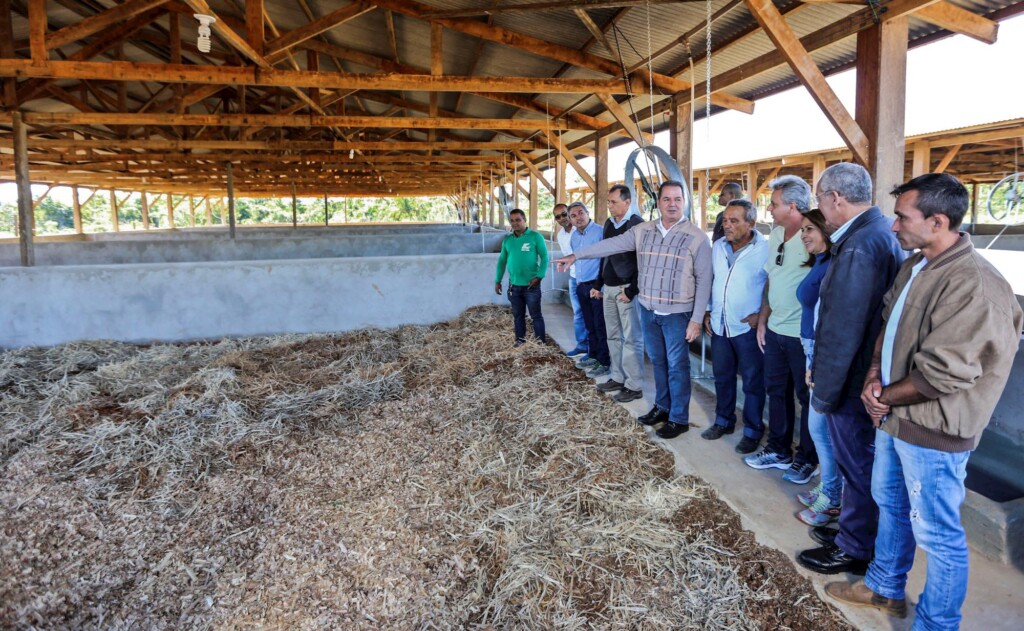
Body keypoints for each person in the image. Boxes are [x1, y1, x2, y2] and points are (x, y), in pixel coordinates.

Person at [826, 174, 1022, 626]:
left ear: (937, 221)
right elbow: (888, 320)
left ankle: (936, 622)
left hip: (934, 427)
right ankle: (884, 586)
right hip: (896, 416)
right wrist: (875, 375)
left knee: (937, 532)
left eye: (901, 217)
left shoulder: (976, 284)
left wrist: (881, 396)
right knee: (891, 502)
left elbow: (944, 372)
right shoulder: (915, 265)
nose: (893, 227)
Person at [797, 162, 904, 576]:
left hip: (854, 378)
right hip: (862, 373)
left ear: (836, 198)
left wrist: (824, 387)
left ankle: (855, 547)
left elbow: (844, 325)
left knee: (857, 464)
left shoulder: (860, 245)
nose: (820, 208)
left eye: (821, 199)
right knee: (858, 462)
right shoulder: (869, 235)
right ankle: (851, 530)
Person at [556, 181, 712, 439]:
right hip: (649, 310)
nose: (672, 204)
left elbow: (705, 280)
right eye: (667, 199)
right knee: (660, 363)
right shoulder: (643, 230)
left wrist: (696, 319)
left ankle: (679, 418)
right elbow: (611, 245)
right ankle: (662, 407)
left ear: (684, 201)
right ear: (658, 202)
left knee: (677, 367)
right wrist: (576, 256)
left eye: (677, 199)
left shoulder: (697, 237)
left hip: (677, 314)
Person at [746, 175, 818, 485]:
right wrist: (763, 320)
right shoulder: (775, 234)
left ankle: (807, 458)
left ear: (792, 205)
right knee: (776, 391)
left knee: (807, 398)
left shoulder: (814, 236)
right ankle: (779, 449)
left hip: (803, 335)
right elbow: (771, 280)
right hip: (775, 329)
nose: (769, 209)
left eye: (774, 204)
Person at [702, 199, 768, 454]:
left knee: (752, 381)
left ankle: (752, 430)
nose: (727, 226)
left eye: (734, 221)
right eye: (725, 221)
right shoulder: (718, 246)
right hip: (720, 324)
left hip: (747, 328)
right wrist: (708, 309)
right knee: (723, 377)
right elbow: (711, 280)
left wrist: (761, 315)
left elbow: (773, 284)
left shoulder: (765, 249)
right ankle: (724, 421)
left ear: (751, 223)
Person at [794, 209, 842, 527]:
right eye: (803, 230)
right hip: (811, 346)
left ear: (826, 229)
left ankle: (833, 498)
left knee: (821, 429)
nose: (804, 235)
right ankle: (828, 486)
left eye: (810, 229)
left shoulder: (833, 265)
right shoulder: (822, 262)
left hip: (821, 350)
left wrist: (818, 360)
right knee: (818, 428)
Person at [595, 184, 646, 402]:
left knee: (632, 338)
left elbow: (643, 261)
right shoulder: (609, 223)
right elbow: (604, 255)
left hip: (626, 289)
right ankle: (617, 376)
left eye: (614, 202)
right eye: (608, 202)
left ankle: (634, 385)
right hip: (609, 287)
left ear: (627, 202)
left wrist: (632, 290)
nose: (610, 206)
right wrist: (599, 284)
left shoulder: (638, 225)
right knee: (613, 335)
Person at [568, 201, 611, 377]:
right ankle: (593, 355)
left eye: (580, 213)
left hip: (596, 286)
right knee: (589, 325)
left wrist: (599, 286)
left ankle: (604, 361)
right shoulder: (574, 236)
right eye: (573, 216)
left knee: (600, 326)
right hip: (581, 286)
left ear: (587, 213)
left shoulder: (600, 232)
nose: (578, 217)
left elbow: (605, 260)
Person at [494, 208, 548, 346]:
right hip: (514, 285)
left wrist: (539, 276)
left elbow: (545, 257)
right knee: (518, 316)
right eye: (512, 221)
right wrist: (497, 280)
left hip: (532, 285)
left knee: (536, 315)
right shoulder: (507, 240)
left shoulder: (535, 237)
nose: (515, 223)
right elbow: (502, 261)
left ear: (525, 220)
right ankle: (520, 341)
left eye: (518, 220)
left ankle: (540, 343)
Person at [554, 203, 589, 358]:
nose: (562, 218)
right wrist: (563, 263)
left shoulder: (580, 230)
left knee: (591, 314)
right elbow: (569, 256)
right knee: (578, 313)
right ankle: (582, 345)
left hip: (588, 277)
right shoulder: (560, 235)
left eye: (564, 214)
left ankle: (594, 348)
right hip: (574, 277)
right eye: (558, 216)